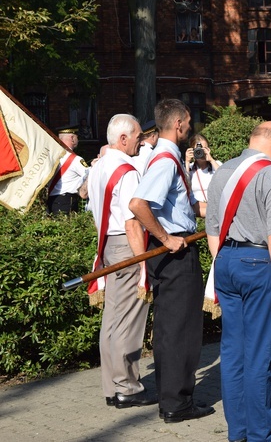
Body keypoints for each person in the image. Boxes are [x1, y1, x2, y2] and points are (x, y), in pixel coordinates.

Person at [206, 122, 271, 442]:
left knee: (234, 353)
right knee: (260, 354)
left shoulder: (223, 172)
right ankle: (262, 436)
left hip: (225, 262)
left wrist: (223, 262)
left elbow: (211, 229)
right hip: (260, 265)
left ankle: (239, 433)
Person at [129, 98, 214, 423]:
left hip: (173, 250)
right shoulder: (165, 160)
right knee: (180, 330)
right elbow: (139, 205)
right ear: (178, 124)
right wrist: (166, 238)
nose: (191, 128)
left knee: (170, 328)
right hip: (175, 253)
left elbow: (185, 207)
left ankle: (171, 396)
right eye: (189, 122)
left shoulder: (169, 157)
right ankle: (176, 404)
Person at [87, 114, 155, 409]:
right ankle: (127, 386)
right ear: (123, 138)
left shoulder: (99, 167)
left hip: (107, 245)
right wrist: (143, 263)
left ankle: (112, 386)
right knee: (129, 320)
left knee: (112, 321)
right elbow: (131, 222)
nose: (142, 141)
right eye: (139, 136)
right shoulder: (127, 171)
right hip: (128, 246)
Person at [48, 124, 88, 214]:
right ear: (72, 138)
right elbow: (89, 175)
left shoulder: (52, 156)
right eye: (77, 137)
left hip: (51, 200)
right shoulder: (76, 160)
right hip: (67, 202)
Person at [186, 134, 222, 209]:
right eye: (198, 150)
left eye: (204, 149)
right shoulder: (190, 168)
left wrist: (211, 160)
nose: (200, 152)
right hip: (197, 210)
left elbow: (225, 178)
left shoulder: (216, 164)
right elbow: (184, 185)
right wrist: (187, 162)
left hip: (215, 208)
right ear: (192, 151)